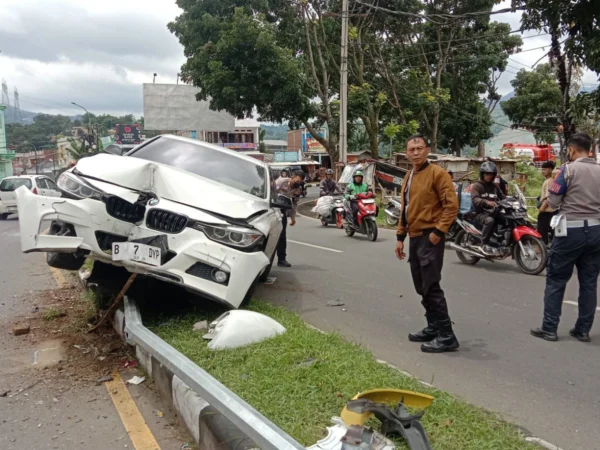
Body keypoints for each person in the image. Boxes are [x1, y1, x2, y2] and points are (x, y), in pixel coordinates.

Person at [531, 133, 600, 343]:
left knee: (556, 280)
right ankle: (583, 330)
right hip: (596, 231)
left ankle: (549, 328)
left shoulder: (567, 170)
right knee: (589, 282)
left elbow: (553, 199)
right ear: (589, 149)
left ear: (570, 150)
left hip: (570, 231)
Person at [395, 134, 459, 353]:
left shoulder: (438, 174)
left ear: (427, 149)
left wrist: (438, 232)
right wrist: (400, 237)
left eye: (419, 148)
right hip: (413, 236)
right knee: (420, 286)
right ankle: (433, 327)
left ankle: (447, 336)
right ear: (406, 152)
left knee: (431, 286)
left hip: (429, 236)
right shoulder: (409, 175)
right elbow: (406, 207)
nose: (415, 152)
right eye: (411, 149)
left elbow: (451, 206)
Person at [470, 161, 506, 255]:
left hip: (494, 212)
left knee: (507, 219)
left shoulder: (495, 187)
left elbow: (503, 197)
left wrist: (513, 200)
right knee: (490, 221)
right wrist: (486, 202)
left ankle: (502, 240)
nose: (489, 176)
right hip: (480, 213)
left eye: (491, 174)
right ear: (482, 174)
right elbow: (475, 199)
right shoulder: (477, 186)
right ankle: (484, 243)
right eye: (487, 174)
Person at [275, 170, 304, 268]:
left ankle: (281, 259)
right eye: (296, 180)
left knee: (282, 235)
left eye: (300, 182)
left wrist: (293, 218)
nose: (297, 183)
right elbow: (270, 192)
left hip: (283, 212)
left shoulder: (297, 190)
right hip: (272, 210)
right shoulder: (281, 182)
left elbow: (295, 204)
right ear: (292, 177)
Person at [537, 160, 557, 245]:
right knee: (550, 230)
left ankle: (542, 247)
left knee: (542, 230)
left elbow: (548, 196)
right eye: (542, 169)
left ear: (550, 170)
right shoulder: (548, 180)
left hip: (547, 211)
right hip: (550, 211)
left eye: (544, 169)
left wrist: (542, 208)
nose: (543, 171)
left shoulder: (550, 181)